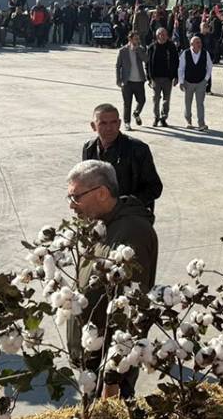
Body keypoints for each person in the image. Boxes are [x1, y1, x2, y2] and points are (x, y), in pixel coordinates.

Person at [66, 159, 158, 398]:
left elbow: (130, 311)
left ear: (102, 193)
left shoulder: (132, 233)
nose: (71, 206)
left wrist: (112, 377)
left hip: (110, 365)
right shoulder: (100, 223)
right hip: (92, 353)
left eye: (76, 197)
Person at [81, 103, 163, 214]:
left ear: (119, 123)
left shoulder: (138, 149)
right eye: (103, 123)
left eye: (113, 122)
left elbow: (154, 187)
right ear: (93, 126)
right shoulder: (89, 148)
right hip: (100, 214)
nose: (109, 128)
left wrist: (125, 204)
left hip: (131, 215)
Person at [115, 31, 149, 130]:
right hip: (127, 82)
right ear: (130, 39)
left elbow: (146, 60)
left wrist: (138, 51)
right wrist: (118, 80)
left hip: (139, 81)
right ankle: (127, 122)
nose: (137, 41)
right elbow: (118, 66)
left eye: (138, 39)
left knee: (142, 100)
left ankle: (136, 113)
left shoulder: (141, 49)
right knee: (127, 103)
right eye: (135, 39)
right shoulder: (123, 51)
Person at [178, 35, 213, 131]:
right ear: (191, 44)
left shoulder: (205, 53)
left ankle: (201, 123)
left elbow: (210, 66)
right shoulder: (185, 53)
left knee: (200, 103)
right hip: (188, 82)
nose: (199, 44)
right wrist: (181, 82)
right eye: (197, 43)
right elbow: (181, 68)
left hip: (201, 82)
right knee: (188, 103)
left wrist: (206, 79)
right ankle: (188, 121)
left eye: (200, 42)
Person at [147, 28, 180, 128]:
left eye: (164, 34)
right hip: (155, 78)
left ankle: (163, 118)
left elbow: (176, 62)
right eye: (160, 34)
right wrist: (149, 77)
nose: (162, 36)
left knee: (166, 100)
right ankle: (156, 117)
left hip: (167, 78)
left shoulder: (171, 46)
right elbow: (147, 63)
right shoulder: (152, 47)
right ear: (157, 36)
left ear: (167, 36)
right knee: (156, 99)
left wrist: (176, 76)